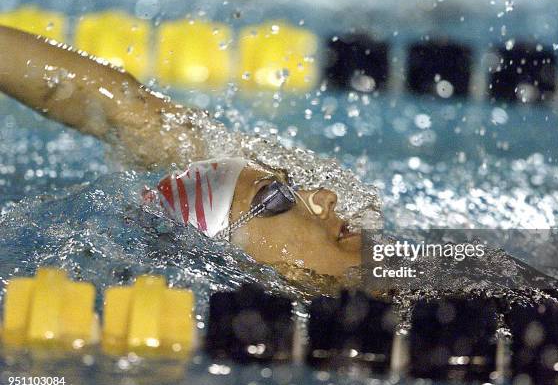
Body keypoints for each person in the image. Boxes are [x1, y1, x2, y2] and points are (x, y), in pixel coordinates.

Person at [0, 25, 381, 277]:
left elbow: (132, 114)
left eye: (290, 187)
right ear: (228, 261)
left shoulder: (423, 268)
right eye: (276, 197)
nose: (326, 196)